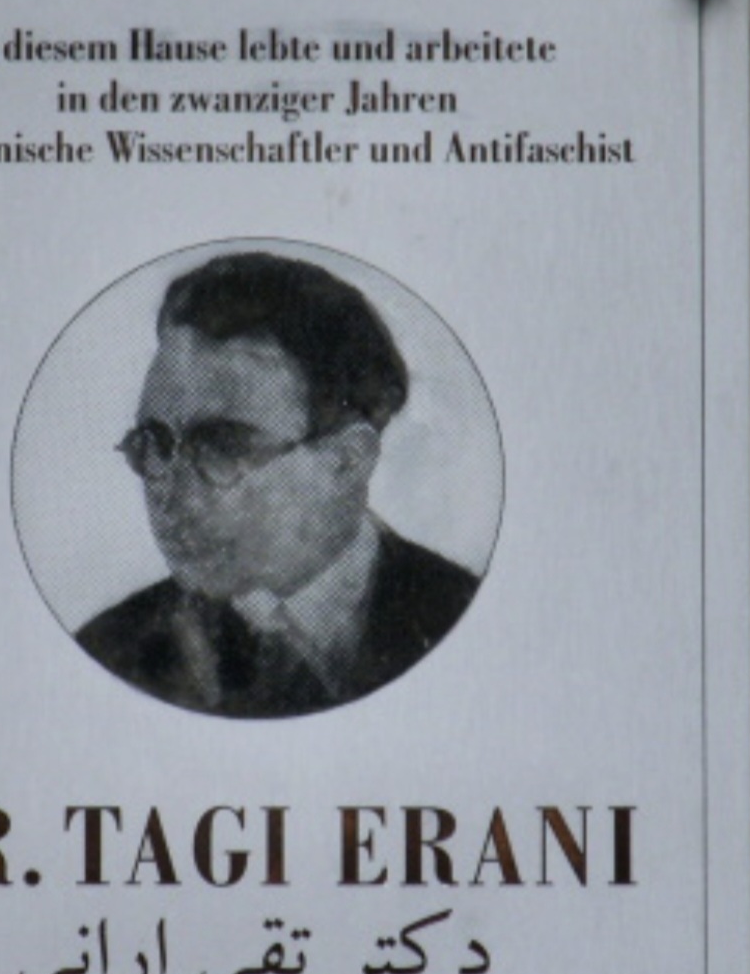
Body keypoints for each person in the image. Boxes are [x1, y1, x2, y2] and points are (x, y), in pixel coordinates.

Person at [77, 251, 479, 717]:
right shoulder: (112, 648)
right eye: (154, 443)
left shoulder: (463, 618)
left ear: (346, 462)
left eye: (223, 447)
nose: (170, 493)